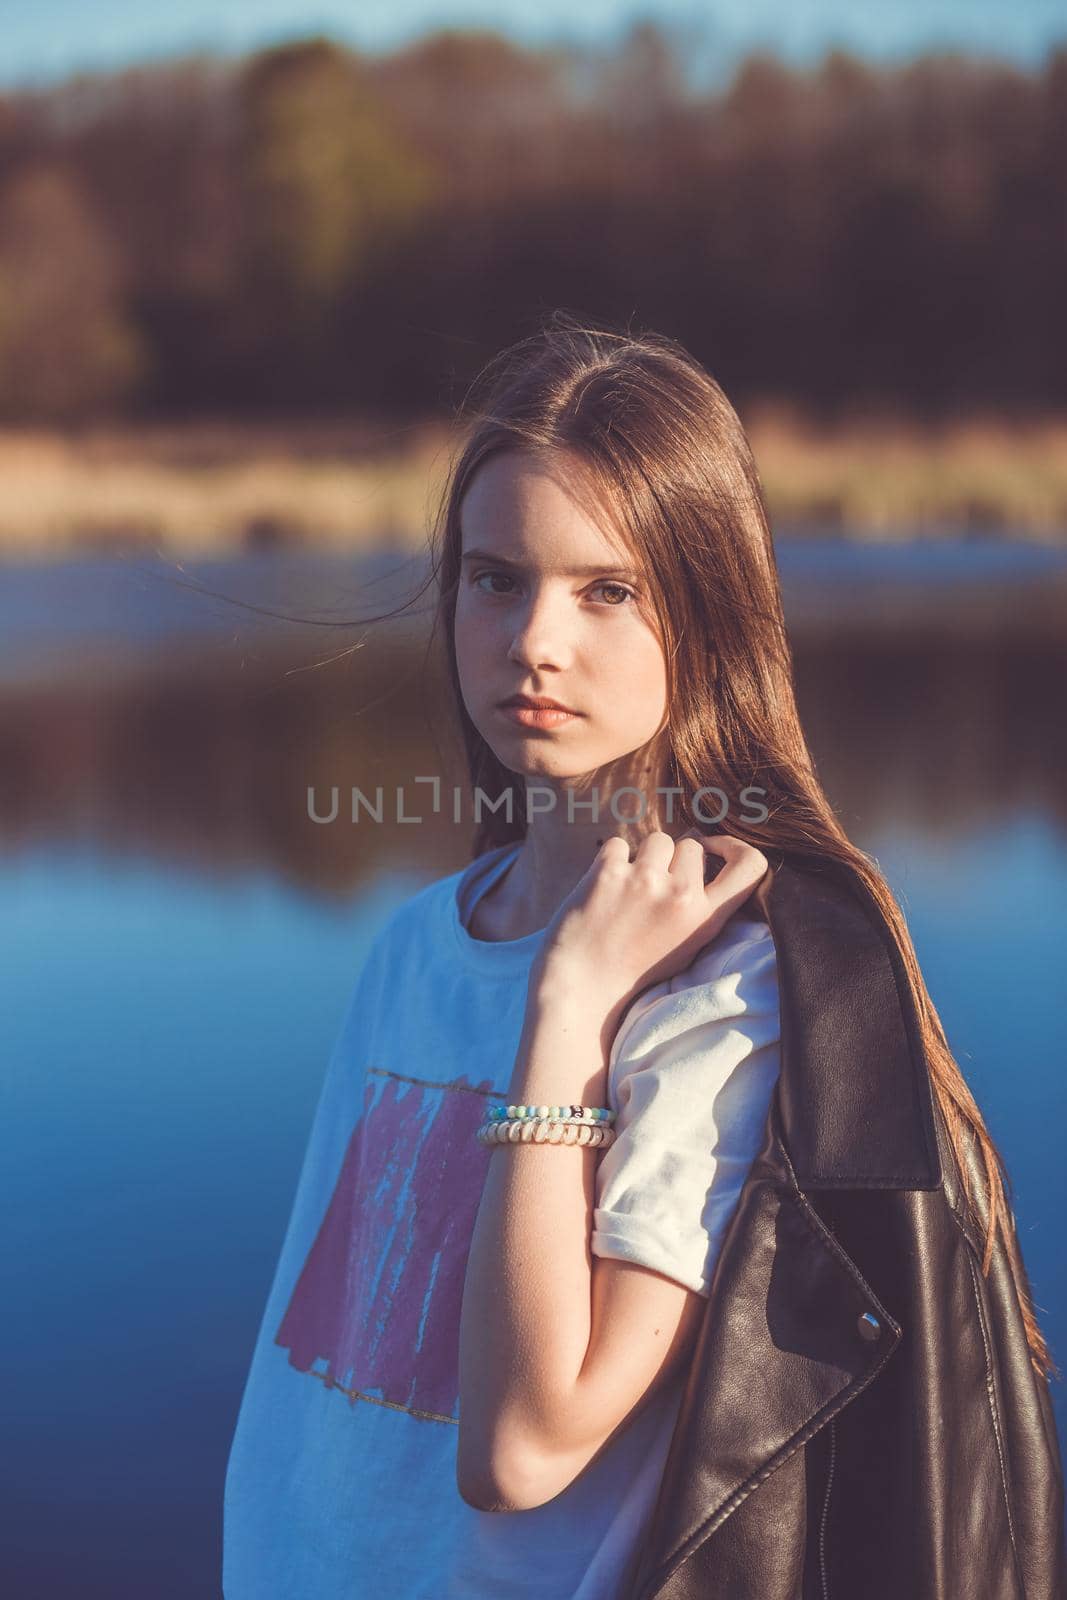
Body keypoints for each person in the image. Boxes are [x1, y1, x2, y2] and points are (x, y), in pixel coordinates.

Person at [222, 312, 1065, 1598]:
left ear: (708, 615)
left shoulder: (728, 987)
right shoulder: (410, 949)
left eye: (605, 590)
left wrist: (569, 1012)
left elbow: (524, 1447)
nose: (533, 641)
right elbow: (321, 1384)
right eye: (495, 577)